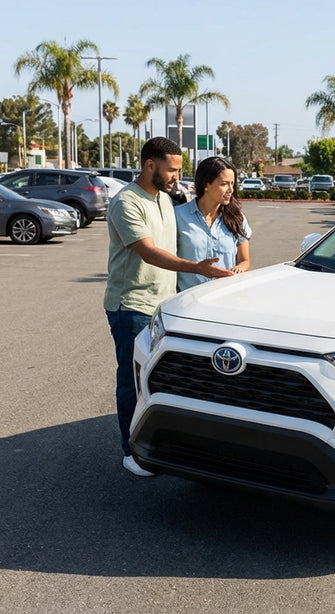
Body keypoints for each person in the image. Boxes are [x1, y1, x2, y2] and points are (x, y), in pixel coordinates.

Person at [104, 137, 234, 477]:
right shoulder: (126, 202)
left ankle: (158, 444)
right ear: (150, 165)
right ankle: (130, 450)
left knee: (162, 379)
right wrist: (197, 268)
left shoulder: (163, 199)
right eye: (172, 169)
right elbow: (148, 252)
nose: (177, 176)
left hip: (165, 306)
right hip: (131, 305)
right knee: (132, 380)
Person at [175, 156, 252, 291]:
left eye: (232, 184)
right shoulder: (178, 215)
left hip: (224, 297)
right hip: (187, 300)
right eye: (224, 184)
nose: (230, 190)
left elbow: (244, 260)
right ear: (206, 184)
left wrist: (239, 269)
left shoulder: (237, 218)